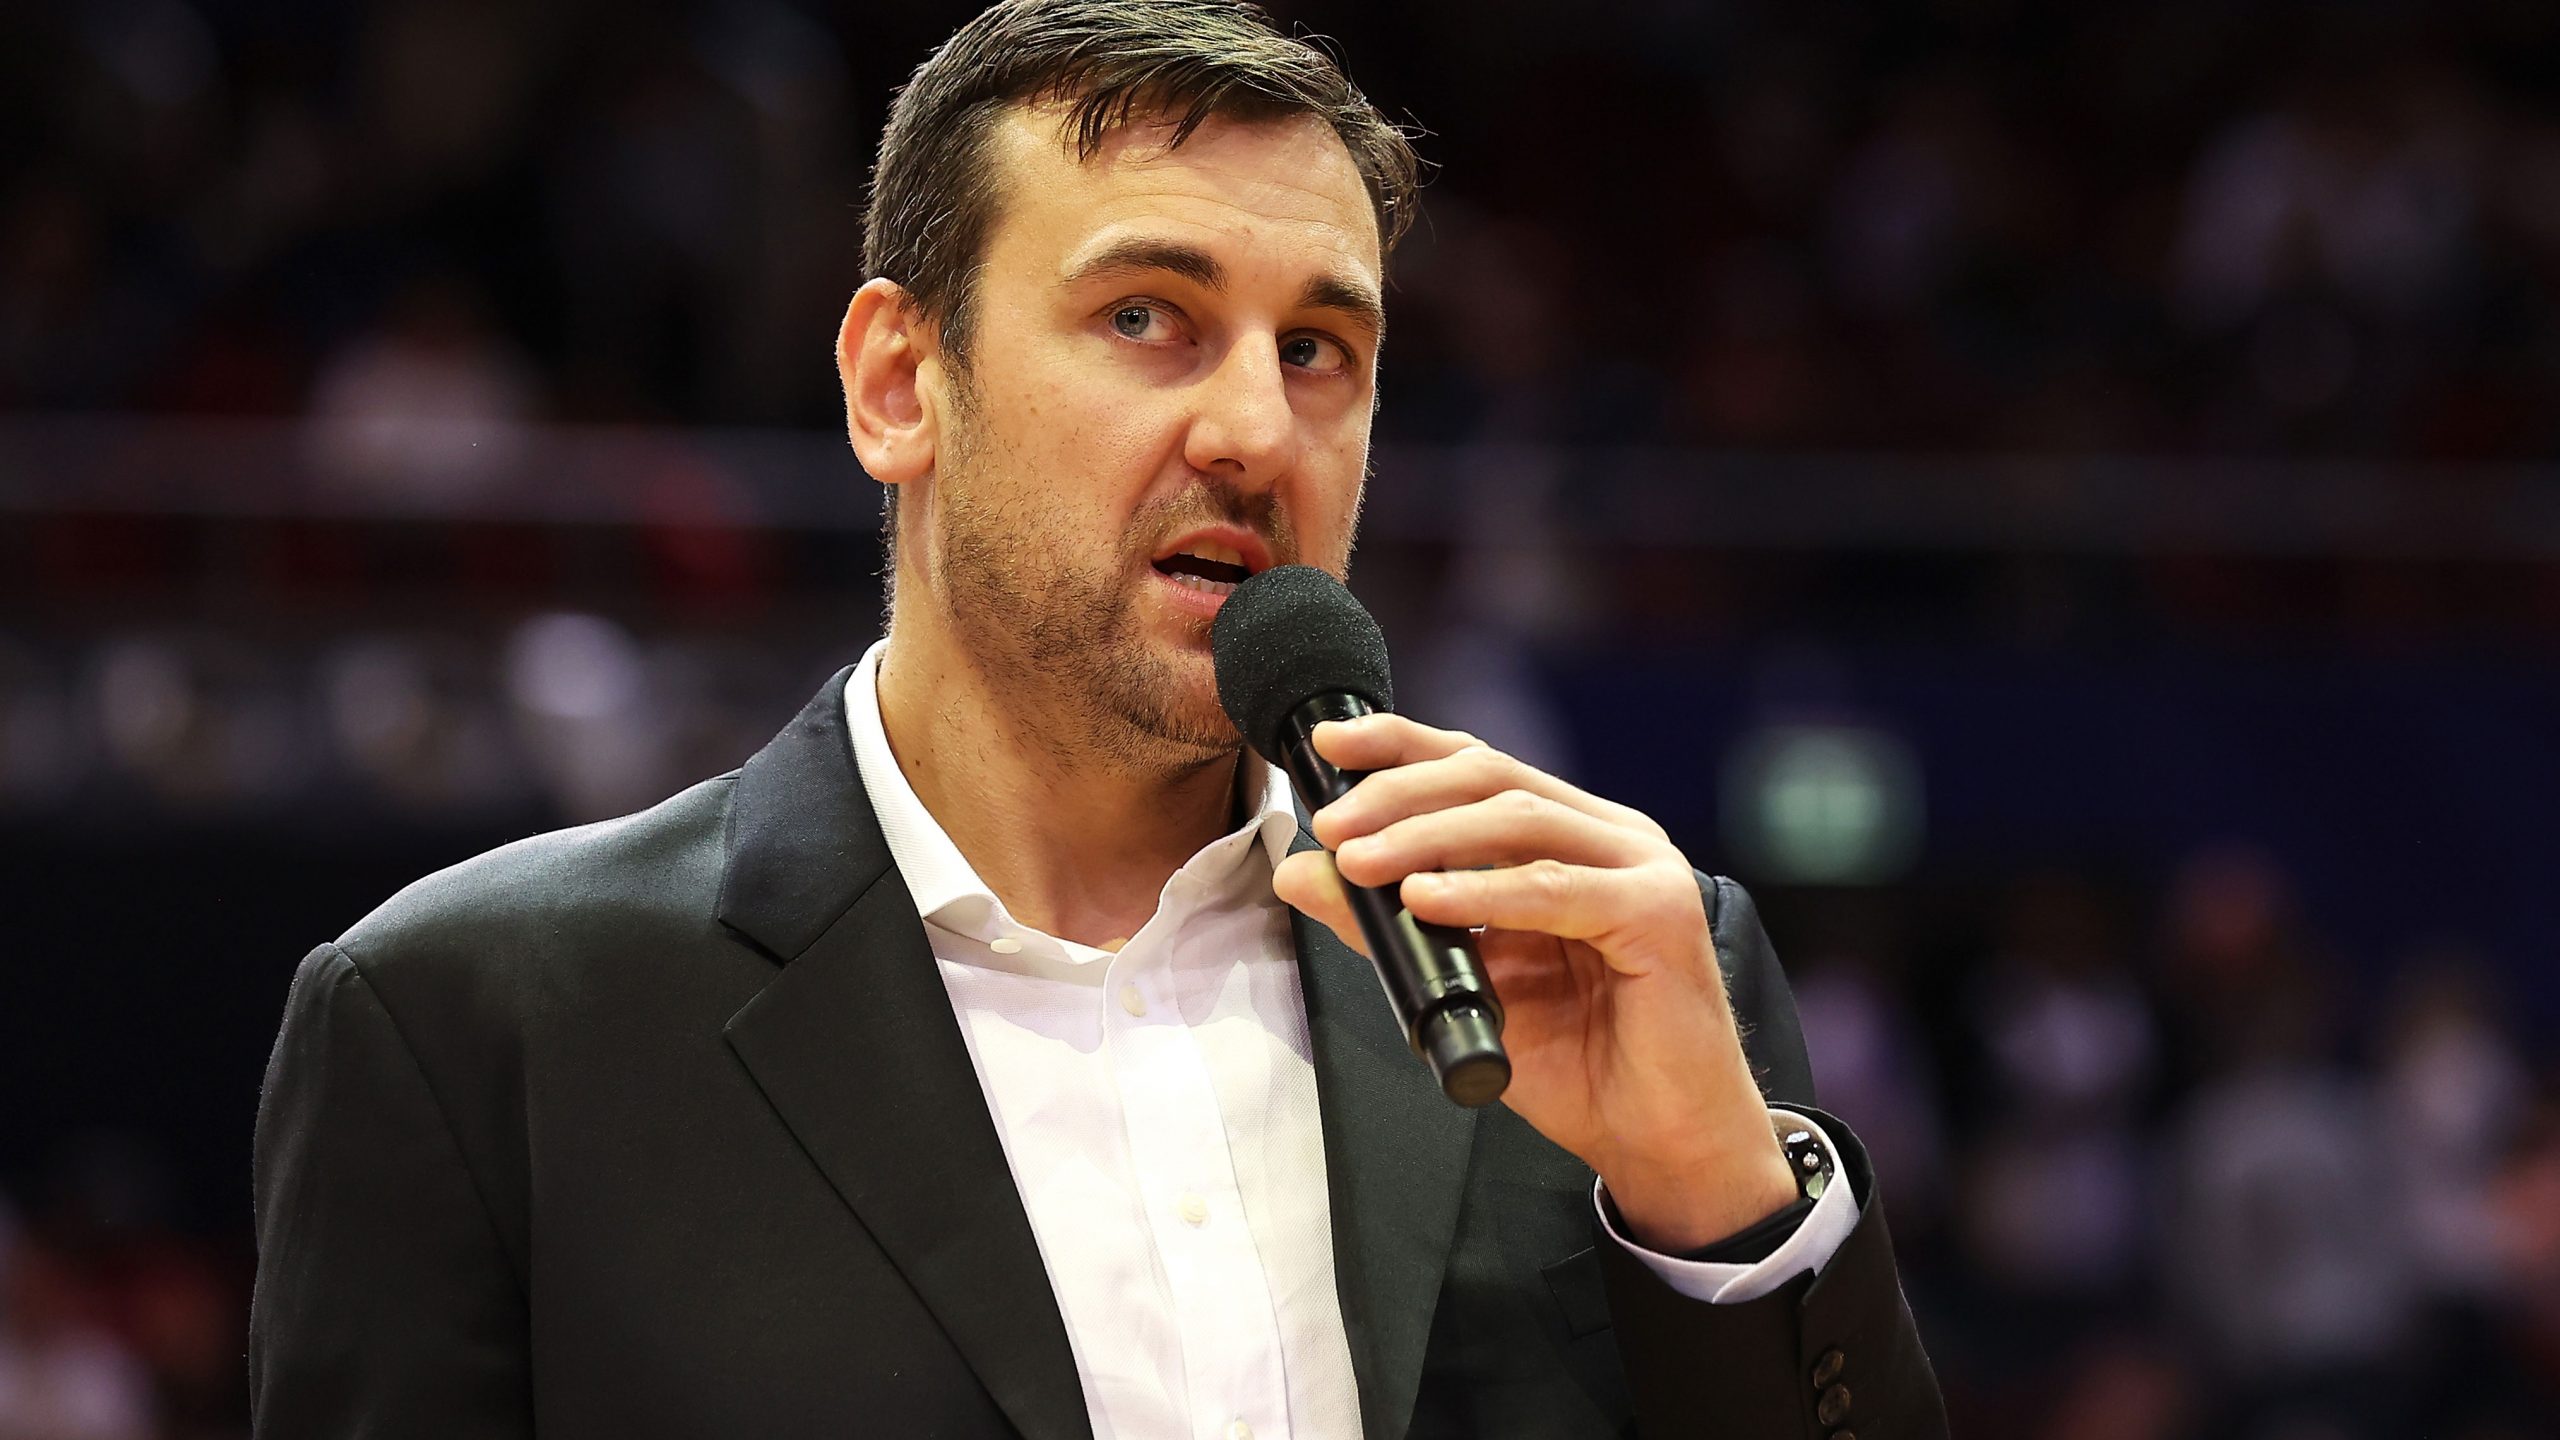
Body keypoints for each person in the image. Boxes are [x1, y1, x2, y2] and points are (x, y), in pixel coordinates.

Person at [247, 2, 1945, 1435]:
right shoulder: (476, 1026)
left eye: (1323, 350)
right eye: (1150, 319)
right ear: (898, 385)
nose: (1257, 431)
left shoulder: (1613, 967)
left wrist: (1730, 1234)